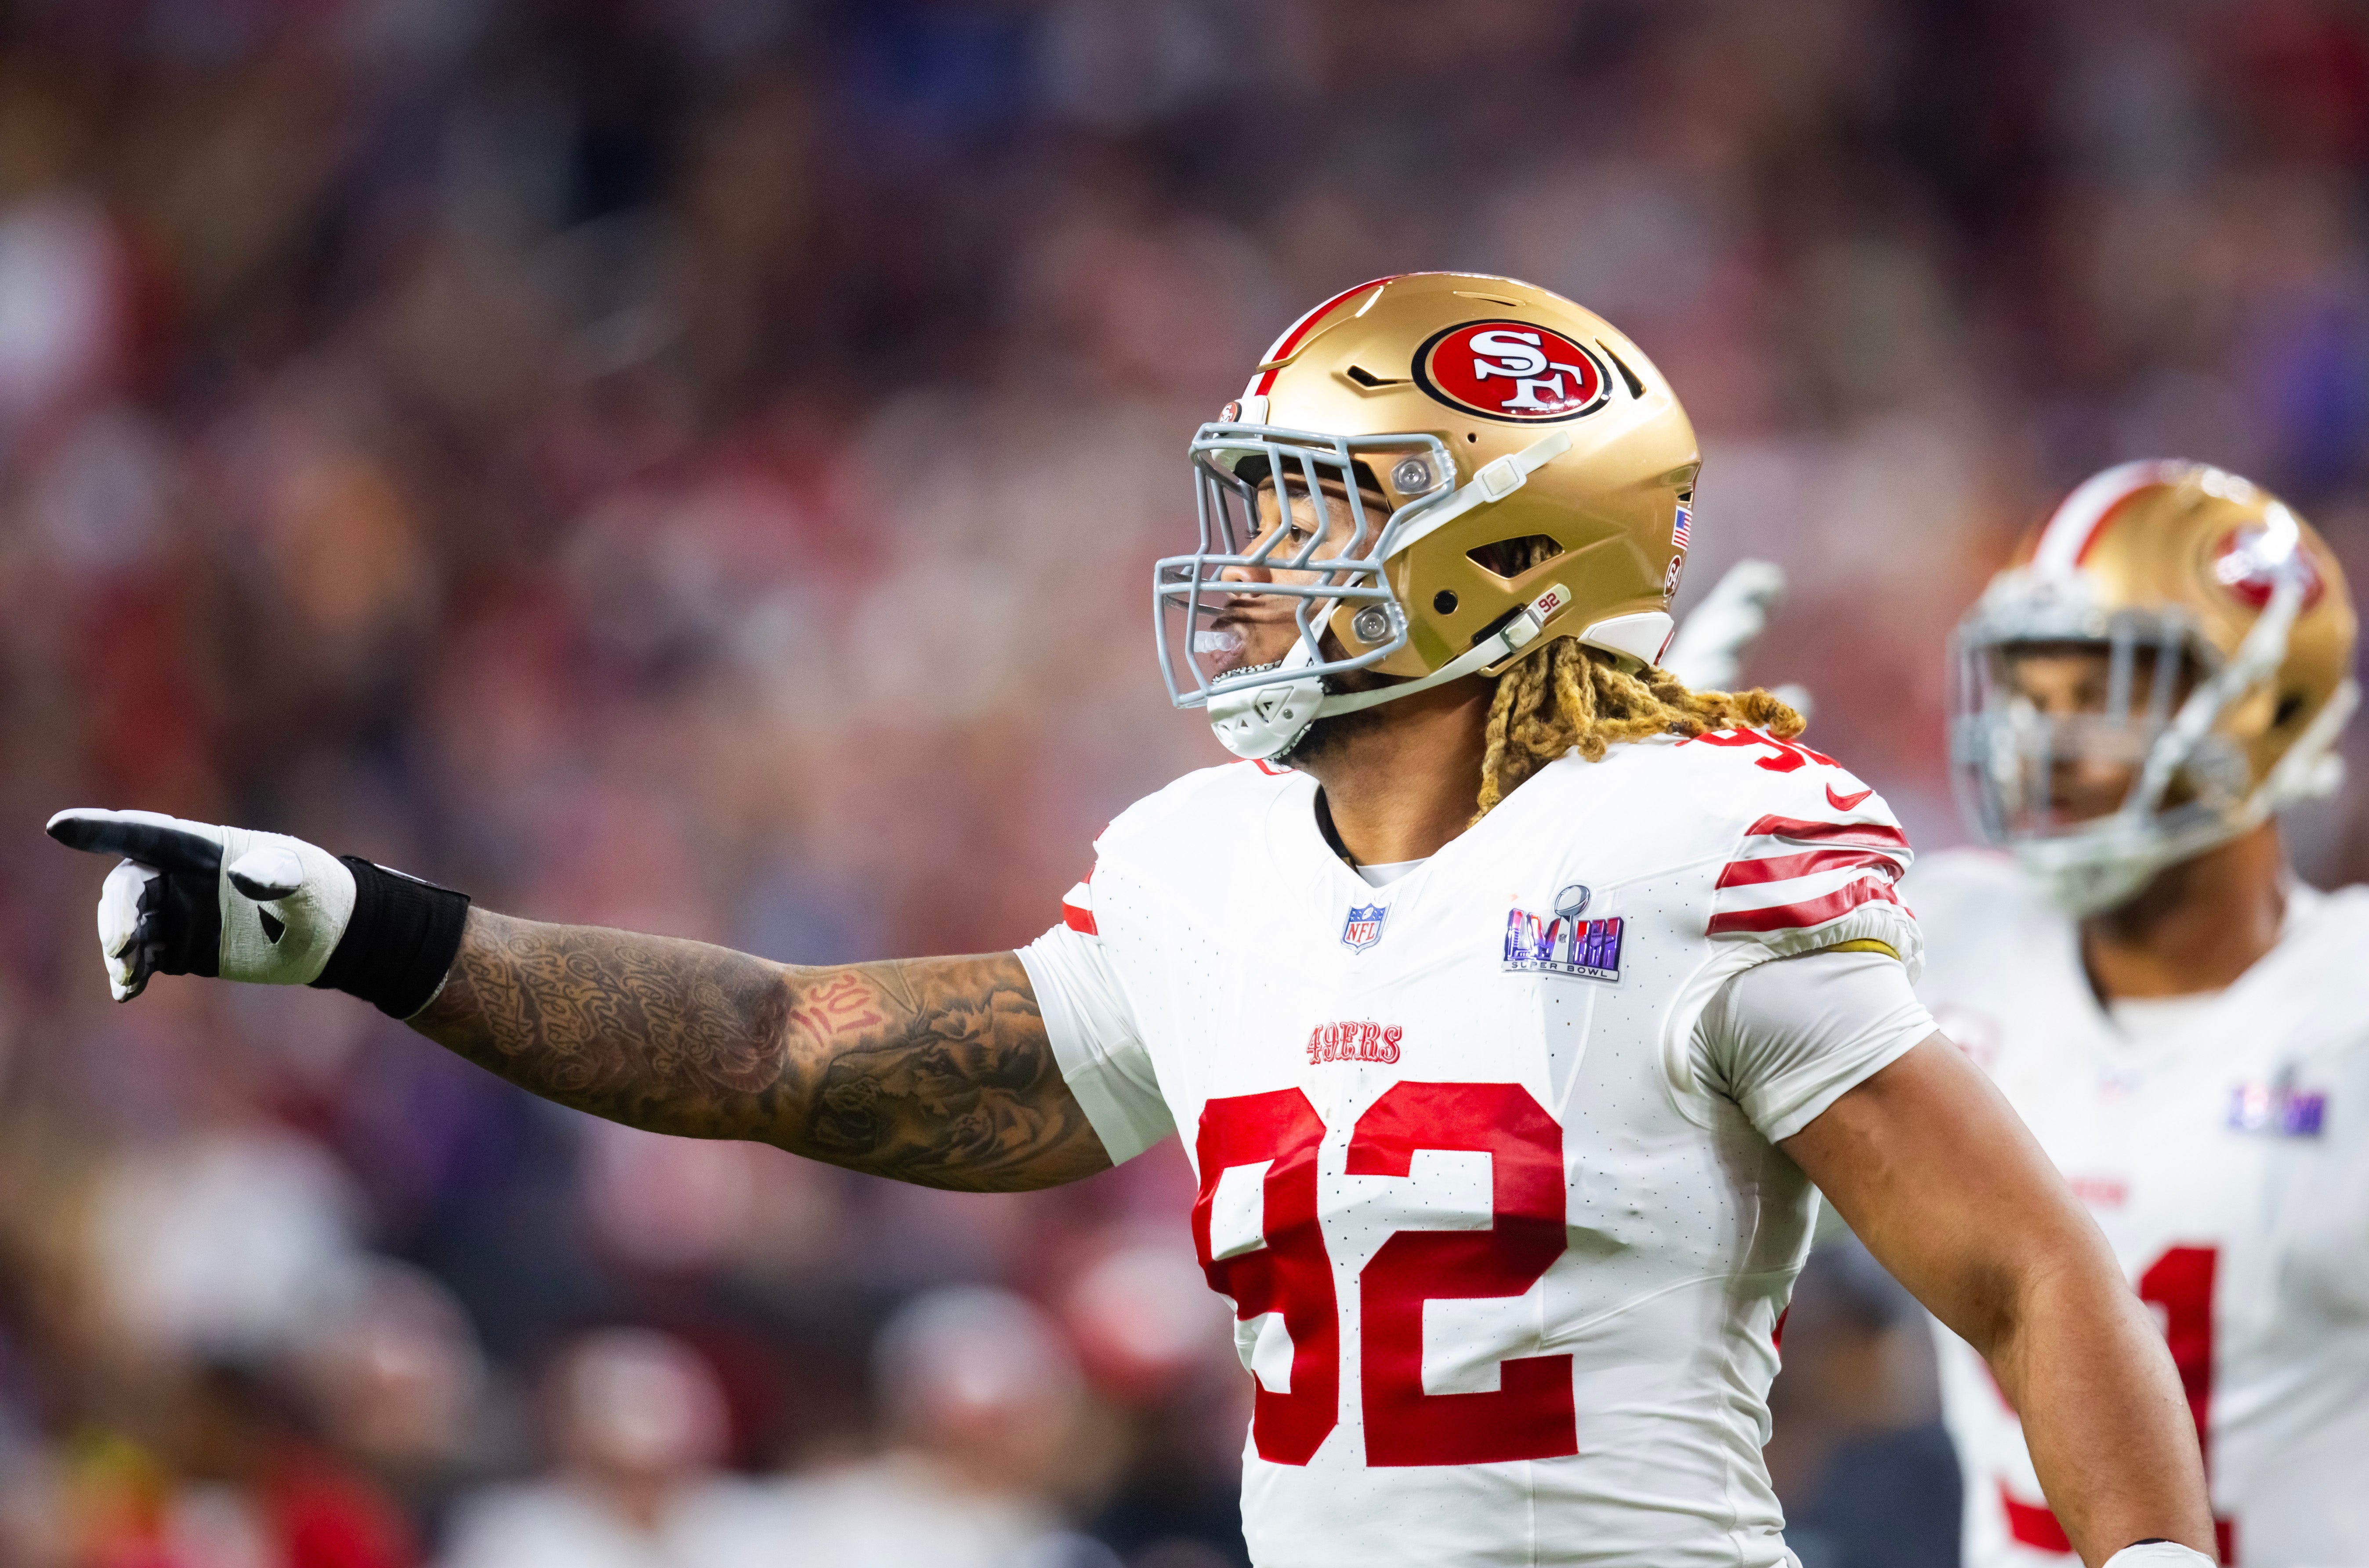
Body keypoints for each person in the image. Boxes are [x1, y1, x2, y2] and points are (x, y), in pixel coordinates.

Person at [49, 273, 2214, 1568]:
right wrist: (367, 932)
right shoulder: (1205, 869)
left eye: (1312, 510)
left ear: (1496, 553)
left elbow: (2028, 1267)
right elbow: (782, 1050)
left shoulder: (1697, 841)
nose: (1250, 564)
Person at [1907, 460, 2369, 1568]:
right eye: (2029, 695)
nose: (2044, 744)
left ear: (2266, 705)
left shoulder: (2346, 1009)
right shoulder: (1937, 940)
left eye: (2102, 694)